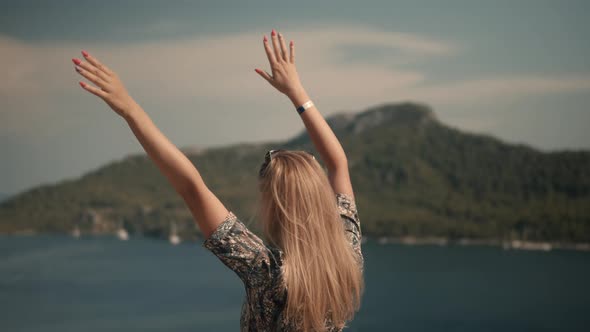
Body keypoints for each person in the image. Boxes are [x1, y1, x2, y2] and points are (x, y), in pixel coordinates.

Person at [72, 28, 364, 331]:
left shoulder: (268, 274)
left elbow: (191, 188)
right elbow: (338, 164)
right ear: (319, 196)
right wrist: (297, 93)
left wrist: (129, 109)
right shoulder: (347, 255)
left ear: (275, 206)